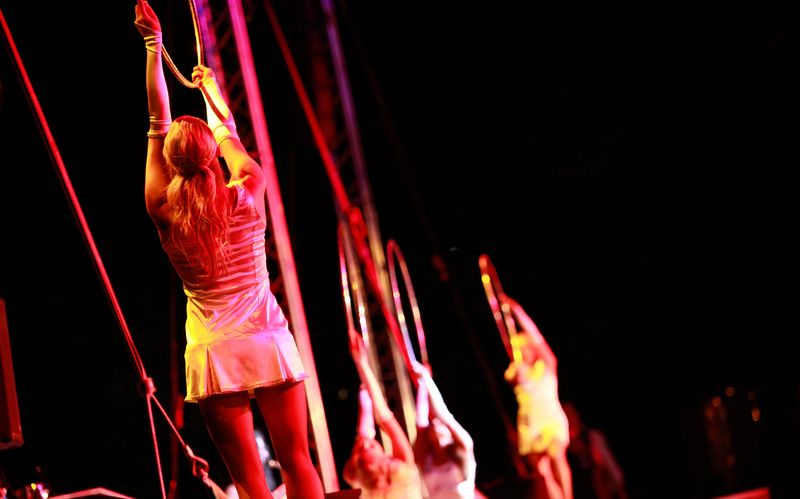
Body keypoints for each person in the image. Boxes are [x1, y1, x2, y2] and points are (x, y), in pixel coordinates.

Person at [134, 1, 325, 498]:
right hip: (265, 337)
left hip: (215, 350)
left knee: (249, 482)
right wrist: (212, 90)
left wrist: (154, 46)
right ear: (211, 156)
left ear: (172, 162)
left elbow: (157, 120)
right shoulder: (248, 190)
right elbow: (230, 135)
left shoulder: (163, 210)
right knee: (298, 462)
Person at [502, 297, 572, 499]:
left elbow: (537, 338)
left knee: (556, 456)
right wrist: (516, 374)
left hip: (550, 418)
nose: (523, 352)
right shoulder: (518, 374)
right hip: (530, 423)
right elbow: (510, 377)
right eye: (519, 350)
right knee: (542, 471)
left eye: (526, 348)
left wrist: (517, 311)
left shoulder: (547, 366)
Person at [343, 333, 423, 498]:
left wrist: (362, 368)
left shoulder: (357, 478)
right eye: (371, 446)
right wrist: (361, 364)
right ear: (383, 458)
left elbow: (365, 434)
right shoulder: (403, 474)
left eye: (360, 449)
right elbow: (383, 415)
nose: (366, 443)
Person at [411, 361, 487, 499]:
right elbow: (420, 423)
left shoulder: (463, 450)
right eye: (432, 425)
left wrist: (426, 380)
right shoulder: (425, 461)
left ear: (450, 433)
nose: (435, 423)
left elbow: (444, 414)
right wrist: (422, 387)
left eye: (440, 424)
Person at [562, 402, 628, 499]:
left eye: (572, 414)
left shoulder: (592, 438)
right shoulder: (562, 451)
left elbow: (611, 468)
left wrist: (620, 490)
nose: (571, 418)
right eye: (566, 415)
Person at [224, 428, 286, 499]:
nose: (266, 454)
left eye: (265, 448)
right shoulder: (233, 490)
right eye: (258, 448)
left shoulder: (274, 475)